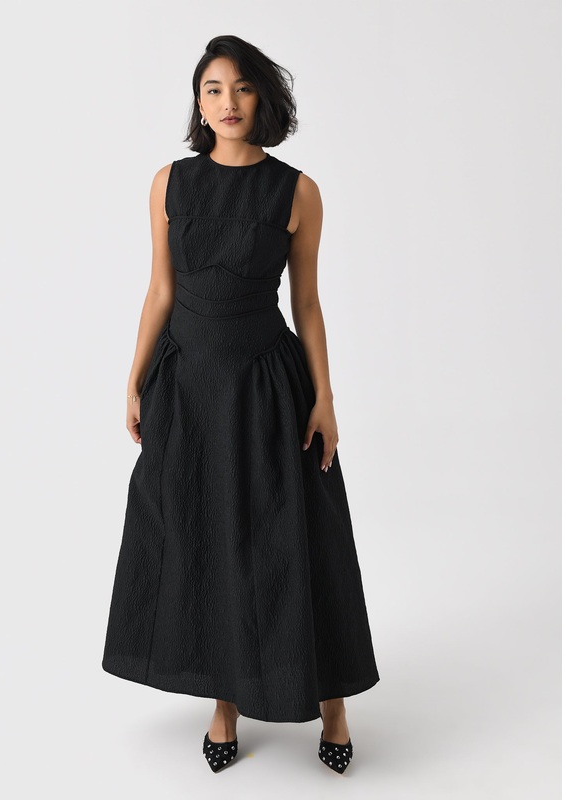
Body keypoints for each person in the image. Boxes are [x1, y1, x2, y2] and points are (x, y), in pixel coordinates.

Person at [102, 35, 379, 774]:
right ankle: (222, 702)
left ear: (264, 99)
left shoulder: (297, 191)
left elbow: (308, 303)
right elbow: (160, 290)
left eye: (243, 87)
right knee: (200, 536)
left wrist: (325, 399)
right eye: (213, 89)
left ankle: (333, 703)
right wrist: (134, 378)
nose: (228, 102)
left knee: (292, 539)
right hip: (187, 388)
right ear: (199, 104)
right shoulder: (169, 183)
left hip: (265, 387)